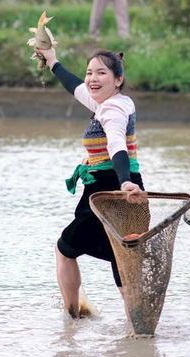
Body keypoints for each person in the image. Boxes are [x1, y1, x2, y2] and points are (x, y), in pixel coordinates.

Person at [35, 45, 143, 318]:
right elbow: (75, 87)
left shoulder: (112, 110)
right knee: (123, 256)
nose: (92, 78)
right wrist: (53, 62)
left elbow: (117, 144)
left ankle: (74, 316)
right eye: (89, 73)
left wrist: (123, 183)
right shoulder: (116, 102)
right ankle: (140, 326)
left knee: (65, 248)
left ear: (118, 79)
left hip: (108, 191)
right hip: (119, 185)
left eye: (101, 73)